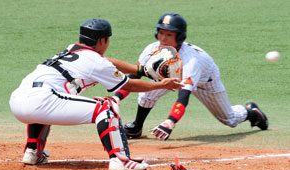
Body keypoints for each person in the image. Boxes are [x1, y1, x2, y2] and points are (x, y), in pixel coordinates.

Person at [9, 18, 183, 170]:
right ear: (102, 40)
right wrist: (159, 85)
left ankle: (33, 152)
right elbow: (128, 85)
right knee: (106, 107)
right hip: (42, 100)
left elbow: (109, 62)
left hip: (18, 100)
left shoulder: (72, 49)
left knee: (45, 104)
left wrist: (142, 70)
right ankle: (120, 160)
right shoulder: (96, 62)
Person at [114, 13, 268, 141]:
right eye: (161, 32)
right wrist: (117, 98)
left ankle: (251, 112)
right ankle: (136, 127)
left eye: (169, 34)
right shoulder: (152, 49)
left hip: (205, 82)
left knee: (229, 119)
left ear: (180, 37)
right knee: (147, 93)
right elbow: (135, 75)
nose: (163, 38)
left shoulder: (190, 60)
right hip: (171, 77)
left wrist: (170, 122)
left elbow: (183, 96)